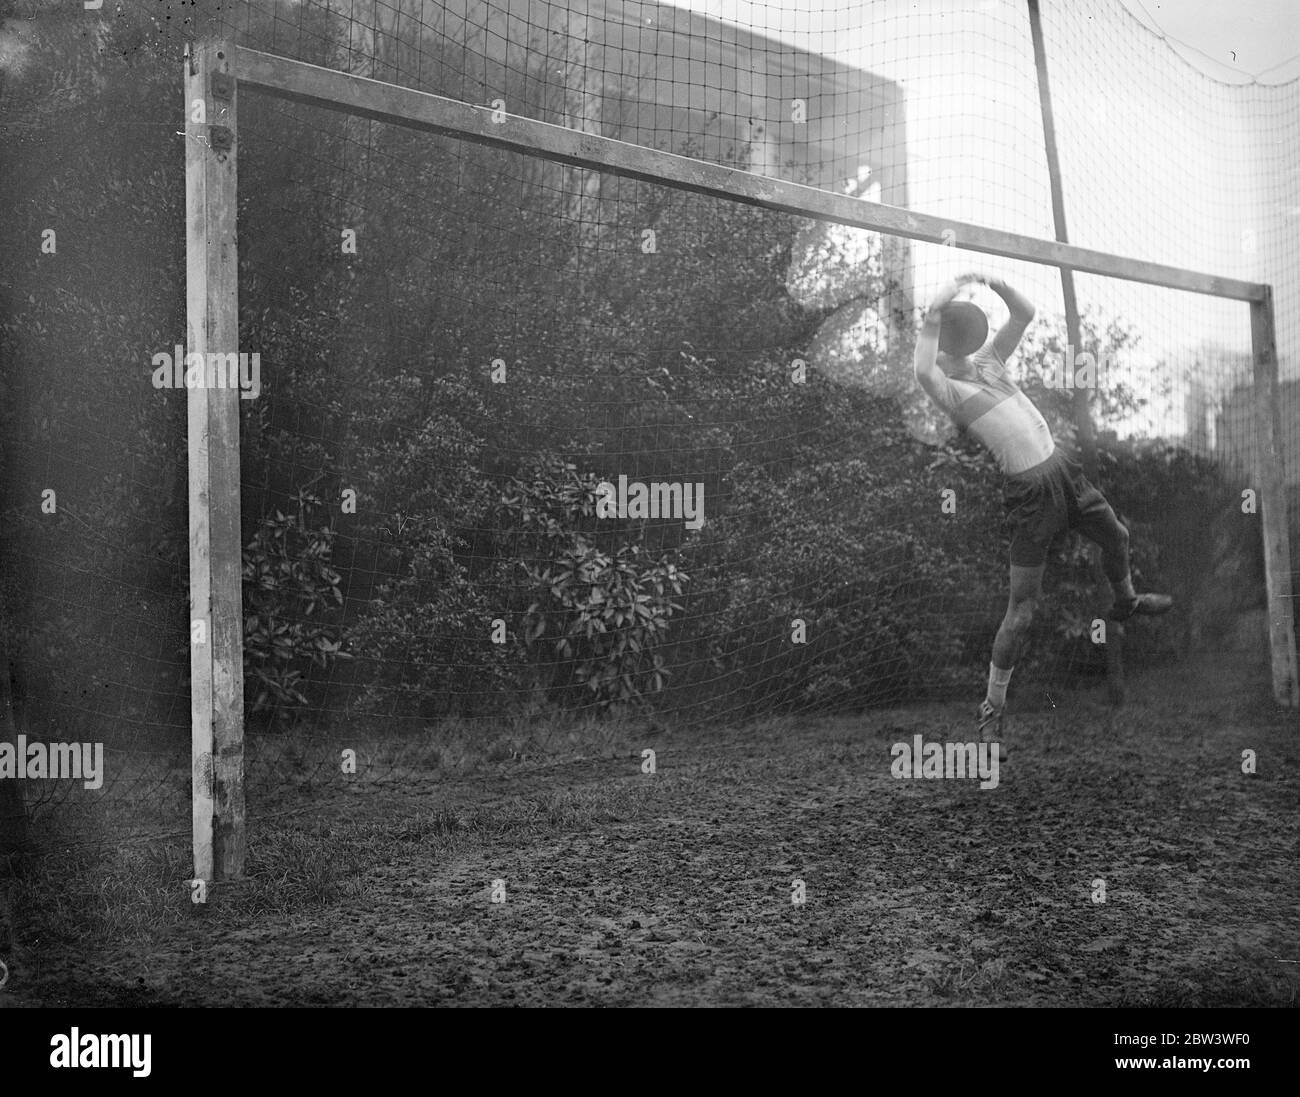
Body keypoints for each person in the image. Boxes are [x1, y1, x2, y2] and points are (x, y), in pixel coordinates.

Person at [913, 272, 1172, 758]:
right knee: (1022, 612)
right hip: (1030, 496)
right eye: (951, 338)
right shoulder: (946, 387)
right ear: (943, 344)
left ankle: (1127, 602)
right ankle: (991, 712)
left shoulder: (989, 361)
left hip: (1064, 473)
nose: (962, 345)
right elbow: (922, 371)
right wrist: (936, 307)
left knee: (1116, 535)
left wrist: (993, 283)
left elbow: (1025, 313)